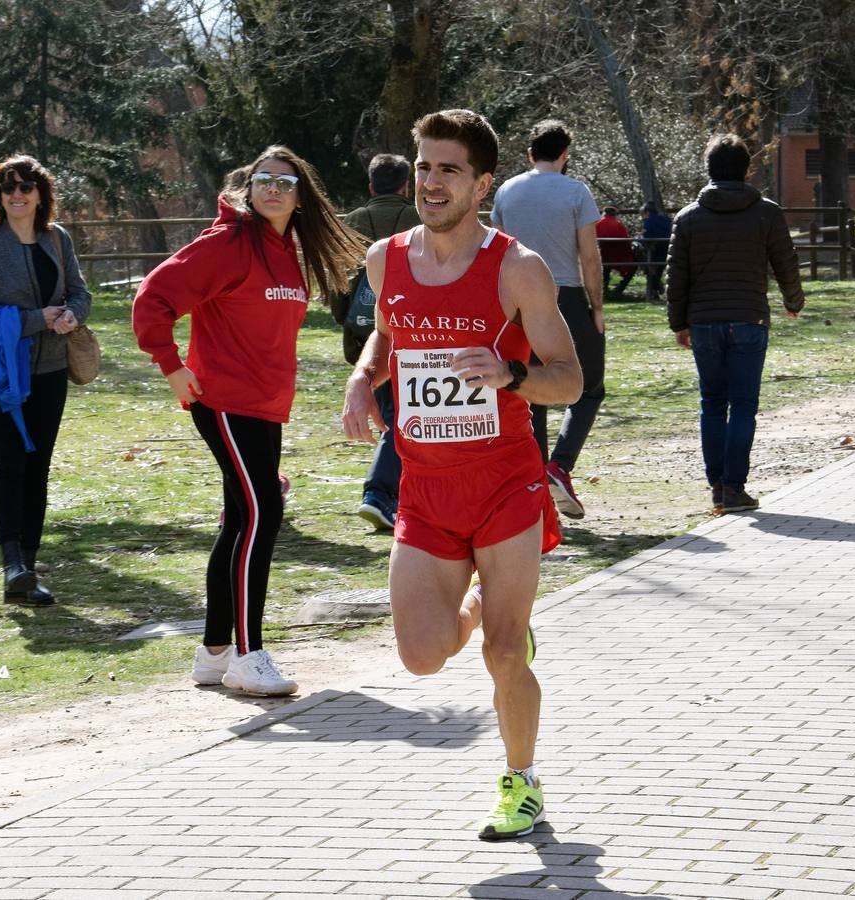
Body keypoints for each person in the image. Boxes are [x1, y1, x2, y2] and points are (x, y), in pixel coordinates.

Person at [342, 109, 582, 840]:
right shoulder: (385, 258)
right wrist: (361, 379)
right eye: (423, 167)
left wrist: (510, 374)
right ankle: (481, 600)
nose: (431, 182)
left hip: (506, 483)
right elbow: (387, 332)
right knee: (420, 656)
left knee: (504, 651)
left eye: (448, 169)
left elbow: (569, 380)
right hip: (427, 488)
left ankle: (521, 783)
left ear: (482, 183)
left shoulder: (519, 268)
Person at [133, 145, 364, 696]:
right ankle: (248, 652)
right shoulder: (227, 242)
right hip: (227, 403)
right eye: (264, 179)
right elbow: (152, 300)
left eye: (285, 183)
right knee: (263, 515)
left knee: (241, 520)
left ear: (300, 197)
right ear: (249, 185)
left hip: (265, 406)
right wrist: (172, 367)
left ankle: (214, 653)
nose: (274, 189)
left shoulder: (286, 251)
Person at [0, 155, 92, 607]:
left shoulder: (57, 240)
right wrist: (38, 319)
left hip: (52, 371)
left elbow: (80, 290)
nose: (17, 194)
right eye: (8, 187)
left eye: (26, 187)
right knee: (9, 461)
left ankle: (27, 572)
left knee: (37, 467)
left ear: (41, 194)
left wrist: (74, 313)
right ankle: (11, 563)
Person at [666, 133, 805, 513]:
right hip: (750, 319)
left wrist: (679, 323)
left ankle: (716, 485)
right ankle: (734, 486)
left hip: (705, 322)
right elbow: (785, 262)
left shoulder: (688, 218)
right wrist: (794, 301)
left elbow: (677, 275)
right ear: (746, 169)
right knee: (743, 405)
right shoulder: (767, 213)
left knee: (712, 402)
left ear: (709, 169)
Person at [490, 119, 604, 520]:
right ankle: (561, 464)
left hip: (517, 301)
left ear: (530, 154)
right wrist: (597, 306)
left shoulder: (506, 190)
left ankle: (537, 484)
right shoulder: (576, 192)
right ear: (565, 155)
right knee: (589, 387)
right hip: (567, 293)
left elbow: (497, 250)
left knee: (530, 387)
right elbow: (589, 256)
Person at [331, 153, 420, 530]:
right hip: (408, 330)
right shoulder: (419, 221)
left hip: (360, 332)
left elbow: (337, 284)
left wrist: (345, 319)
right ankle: (379, 493)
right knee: (399, 413)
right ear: (406, 186)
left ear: (370, 186)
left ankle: (394, 491)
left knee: (389, 409)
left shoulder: (350, 223)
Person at [594, 205, 637, 299]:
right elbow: (626, 241)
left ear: (604, 213)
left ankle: (604, 290)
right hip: (619, 256)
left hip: (603, 255)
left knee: (605, 268)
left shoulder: (598, 223)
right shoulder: (619, 224)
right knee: (635, 265)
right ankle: (618, 289)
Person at [639, 200, 672, 302]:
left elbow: (647, 236)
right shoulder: (666, 219)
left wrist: (640, 237)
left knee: (649, 269)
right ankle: (656, 291)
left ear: (647, 212)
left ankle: (655, 290)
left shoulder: (649, 221)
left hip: (654, 249)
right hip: (667, 249)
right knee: (658, 270)